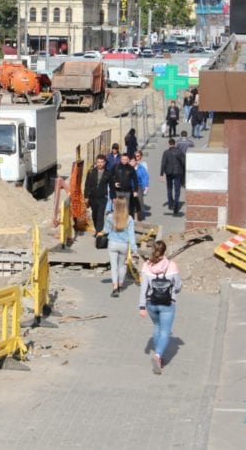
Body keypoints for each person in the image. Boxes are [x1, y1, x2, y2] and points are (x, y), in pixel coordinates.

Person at [139, 240, 182, 374]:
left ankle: (158, 354)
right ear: (165, 251)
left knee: (157, 326)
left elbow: (143, 288)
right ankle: (158, 355)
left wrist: (141, 307)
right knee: (165, 331)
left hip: (151, 303)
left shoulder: (146, 265)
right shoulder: (172, 265)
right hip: (168, 304)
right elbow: (178, 286)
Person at [101, 198, 135, 297]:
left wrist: (100, 233)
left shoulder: (110, 217)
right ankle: (120, 284)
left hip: (112, 243)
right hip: (124, 244)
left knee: (114, 266)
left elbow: (106, 230)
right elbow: (131, 235)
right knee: (122, 265)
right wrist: (134, 248)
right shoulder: (129, 219)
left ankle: (115, 287)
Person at [84, 154, 111, 232]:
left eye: (102, 162)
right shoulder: (91, 172)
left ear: (105, 163)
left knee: (100, 216)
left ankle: (99, 232)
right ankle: (97, 229)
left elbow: (111, 186)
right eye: (98, 162)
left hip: (102, 197)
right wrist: (86, 197)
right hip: (93, 197)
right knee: (94, 215)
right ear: (96, 162)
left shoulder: (108, 173)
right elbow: (87, 185)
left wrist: (113, 197)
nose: (100, 164)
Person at [160, 138, 186, 214]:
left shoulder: (166, 152)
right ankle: (176, 205)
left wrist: (161, 174)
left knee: (169, 188)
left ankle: (170, 204)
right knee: (177, 189)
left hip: (169, 172)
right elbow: (184, 163)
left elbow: (163, 163)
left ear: (169, 144)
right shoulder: (180, 152)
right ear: (175, 144)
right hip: (178, 172)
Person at [111, 152, 140, 220]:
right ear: (120, 159)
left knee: (127, 208)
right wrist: (114, 183)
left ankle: (126, 223)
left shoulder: (131, 168)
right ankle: (118, 222)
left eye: (125, 159)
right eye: (122, 159)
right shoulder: (116, 167)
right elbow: (110, 176)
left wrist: (135, 190)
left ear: (128, 160)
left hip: (128, 191)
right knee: (118, 208)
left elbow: (135, 180)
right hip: (118, 191)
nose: (124, 161)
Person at [132, 150, 150, 220]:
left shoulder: (143, 165)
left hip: (140, 185)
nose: (136, 158)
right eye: (135, 156)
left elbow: (145, 176)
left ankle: (139, 216)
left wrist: (146, 186)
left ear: (141, 157)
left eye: (138, 156)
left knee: (139, 201)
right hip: (131, 186)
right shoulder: (131, 163)